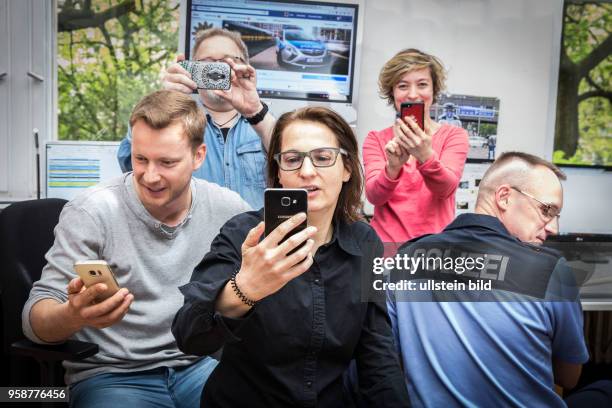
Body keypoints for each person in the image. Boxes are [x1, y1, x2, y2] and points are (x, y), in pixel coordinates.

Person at [22, 90, 251, 407]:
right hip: (111, 376)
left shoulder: (228, 208)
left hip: (199, 367)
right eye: (140, 159)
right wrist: (72, 315)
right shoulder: (92, 211)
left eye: (167, 162)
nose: (150, 175)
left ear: (199, 156)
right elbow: (34, 322)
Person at [172, 107, 410, 407]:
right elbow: (188, 336)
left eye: (323, 158)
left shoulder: (365, 242)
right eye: (293, 159)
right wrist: (245, 289)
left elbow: (376, 352)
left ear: (347, 168)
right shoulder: (243, 233)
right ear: (279, 173)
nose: (307, 171)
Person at [387, 152, 593, 407]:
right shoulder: (550, 270)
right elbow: (569, 377)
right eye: (546, 210)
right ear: (504, 197)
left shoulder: (404, 259)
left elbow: (389, 360)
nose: (553, 228)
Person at [117, 28, 275, 209]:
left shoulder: (264, 121)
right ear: (191, 70)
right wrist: (163, 101)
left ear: (244, 66)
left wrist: (255, 111)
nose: (216, 68)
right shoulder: (175, 125)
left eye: (227, 61)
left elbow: (292, 161)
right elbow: (130, 166)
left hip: (259, 236)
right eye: (207, 62)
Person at [363, 48, 469, 245]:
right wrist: (392, 168)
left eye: (422, 84)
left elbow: (446, 189)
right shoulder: (376, 139)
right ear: (392, 93)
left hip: (434, 250)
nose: (413, 94)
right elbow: (374, 197)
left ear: (433, 90)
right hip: (386, 251)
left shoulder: (454, 136)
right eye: (403, 86)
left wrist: (425, 156)